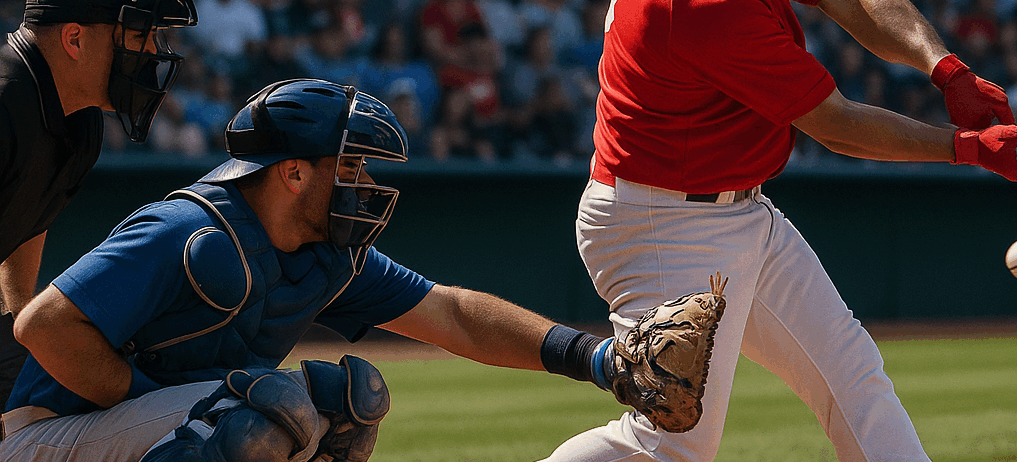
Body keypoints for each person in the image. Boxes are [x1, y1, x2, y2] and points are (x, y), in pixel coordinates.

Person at [541, 0, 1017, 460]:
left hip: (732, 208)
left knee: (852, 376)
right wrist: (964, 147)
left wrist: (946, 69)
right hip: (663, 225)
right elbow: (836, 124)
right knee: (671, 442)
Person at [0, 79, 620, 461]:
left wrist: (595, 358)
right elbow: (43, 326)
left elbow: (454, 315)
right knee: (260, 413)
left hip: (148, 431)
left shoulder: (327, 253)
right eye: (351, 168)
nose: (368, 184)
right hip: (45, 437)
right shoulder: (187, 231)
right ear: (293, 172)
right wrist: (147, 400)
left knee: (343, 405)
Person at [0, 0, 197, 407]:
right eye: (138, 36)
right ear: (74, 39)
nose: (152, 53)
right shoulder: (6, 104)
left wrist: (14, 320)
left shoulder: (80, 120)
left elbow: (26, 223)